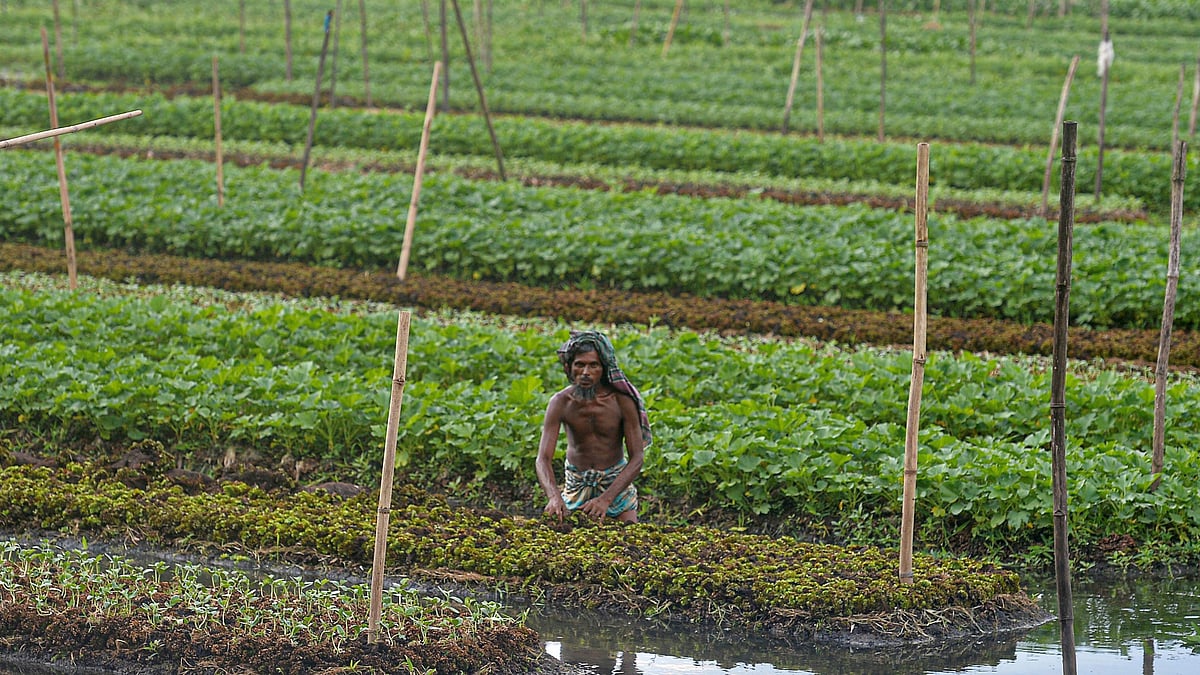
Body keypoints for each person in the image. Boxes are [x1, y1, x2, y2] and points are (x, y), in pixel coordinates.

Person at [536, 330, 651, 523]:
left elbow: (637, 457)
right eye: (579, 365)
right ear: (569, 368)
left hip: (615, 484)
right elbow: (543, 458)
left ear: (603, 369)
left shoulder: (622, 402)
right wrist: (554, 497)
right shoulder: (561, 403)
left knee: (630, 541)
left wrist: (606, 499)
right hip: (576, 484)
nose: (586, 373)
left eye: (593, 365)